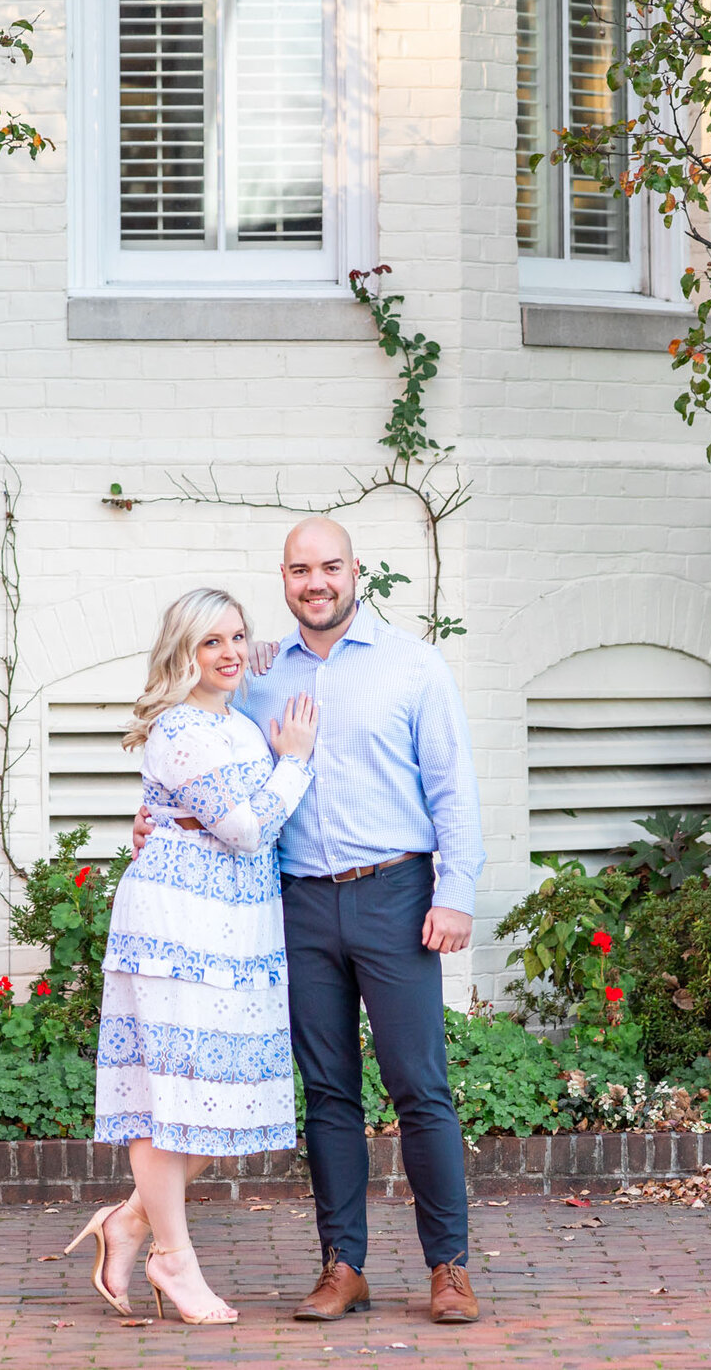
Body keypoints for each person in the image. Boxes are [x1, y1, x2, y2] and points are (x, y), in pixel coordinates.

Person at [133, 516, 486, 1326]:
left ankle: (449, 1269)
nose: (315, 582)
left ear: (357, 570)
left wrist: (454, 890)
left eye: (330, 567)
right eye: (299, 570)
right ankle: (343, 1267)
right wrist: (149, 820)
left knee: (419, 1087)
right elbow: (198, 765)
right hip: (296, 902)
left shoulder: (413, 666)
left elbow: (453, 789)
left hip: (396, 894)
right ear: (284, 578)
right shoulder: (252, 674)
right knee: (328, 1092)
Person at [67, 587, 319, 1325]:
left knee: (234, 1094)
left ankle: (133, 1221)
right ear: (183, 653)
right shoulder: (182, 730)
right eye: (212, 643)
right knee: (167, 1095)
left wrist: (267, 650)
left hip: (236, 929)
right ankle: (174, 1261)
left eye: (238, 637)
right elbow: (244, 830)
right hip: (176, 926)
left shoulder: (235, 718)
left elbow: (259, 658)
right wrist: (295, 762)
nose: (232, 652)